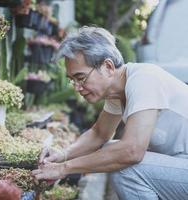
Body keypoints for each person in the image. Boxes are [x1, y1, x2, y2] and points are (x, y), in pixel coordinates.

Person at [31, 26, 188, 200]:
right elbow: (99, 134)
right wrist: (62, 154)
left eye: (81, 77)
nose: (77, 87)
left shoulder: (144, 79)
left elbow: (132, 150)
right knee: (110, 149)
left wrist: (63, 168)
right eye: (72, 80)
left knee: (125, 168)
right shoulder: (117, 92)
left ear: (108, 66)